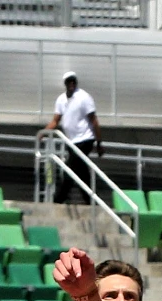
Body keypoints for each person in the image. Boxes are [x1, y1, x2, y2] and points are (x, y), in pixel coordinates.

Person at [42, 71, 101, 204]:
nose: (71, 84)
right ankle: (92, 202)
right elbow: (55, 121)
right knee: (82, 173)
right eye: (69, 82)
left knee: (70, 171)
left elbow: (94, 121)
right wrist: (44, 132)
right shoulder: (61, 100)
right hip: (72, 142)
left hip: (85, 139)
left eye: (73, 82)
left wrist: (99, 142)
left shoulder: (84, 98)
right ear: (65, 84)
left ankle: (57, 201)